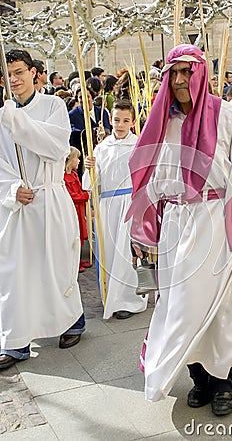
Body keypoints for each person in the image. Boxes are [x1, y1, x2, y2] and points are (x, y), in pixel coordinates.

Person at [125, 44, 232, 416]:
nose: (180, 80)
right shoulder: (161, 121)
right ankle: (198, 378)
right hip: (174, 226)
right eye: (173, 73)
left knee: (221, 308)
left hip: (215, 220)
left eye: (187, 72)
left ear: (201, 74)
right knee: (178, 305)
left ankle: (223, 381)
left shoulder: (228, 118)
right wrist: (142, 232)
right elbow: (148, 181)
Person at [0, 49, 85, 370]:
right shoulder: (1, 117)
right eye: (8, 75)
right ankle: (16, 340)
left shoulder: (53, 106)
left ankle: (71, 321)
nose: (15, 80)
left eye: (20, 72)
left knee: (56, 263)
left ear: (34, 72)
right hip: (18, 204)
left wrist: (17, 121)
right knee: (15, 272)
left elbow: (56, 148)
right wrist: (10, 189)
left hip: (49, 197)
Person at [84, 100, 148, 320]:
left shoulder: (138, 145)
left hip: (129, 203)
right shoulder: (102, 148)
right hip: (107, 205)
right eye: (116, 120)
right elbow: (91, 183)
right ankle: (111, 295)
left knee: (125, 253)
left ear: (132, 122)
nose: (120, 125)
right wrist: (90, 169)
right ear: (110, 120)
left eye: (125, 121)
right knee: (109, 252)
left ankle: (129, 299)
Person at [69, 86, 111, 180]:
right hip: (86, 155)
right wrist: (94, 132)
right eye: (80, 97)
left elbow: (109, 129)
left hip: (103, 152)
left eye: (87, 96)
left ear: (92, 98)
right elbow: (74, 133)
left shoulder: (102, 112)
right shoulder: (72, 115)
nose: (84, 99)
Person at [64, 147, 92, 273]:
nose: (79, 161)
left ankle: (79, 259)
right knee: (74, 234)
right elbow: (71, 195)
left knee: (80, 233)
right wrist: (85, 196)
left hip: (79, 209)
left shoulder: (74, 175)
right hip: (73, 209)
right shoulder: (64, 177)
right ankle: (73, 262)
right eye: (77, 158)